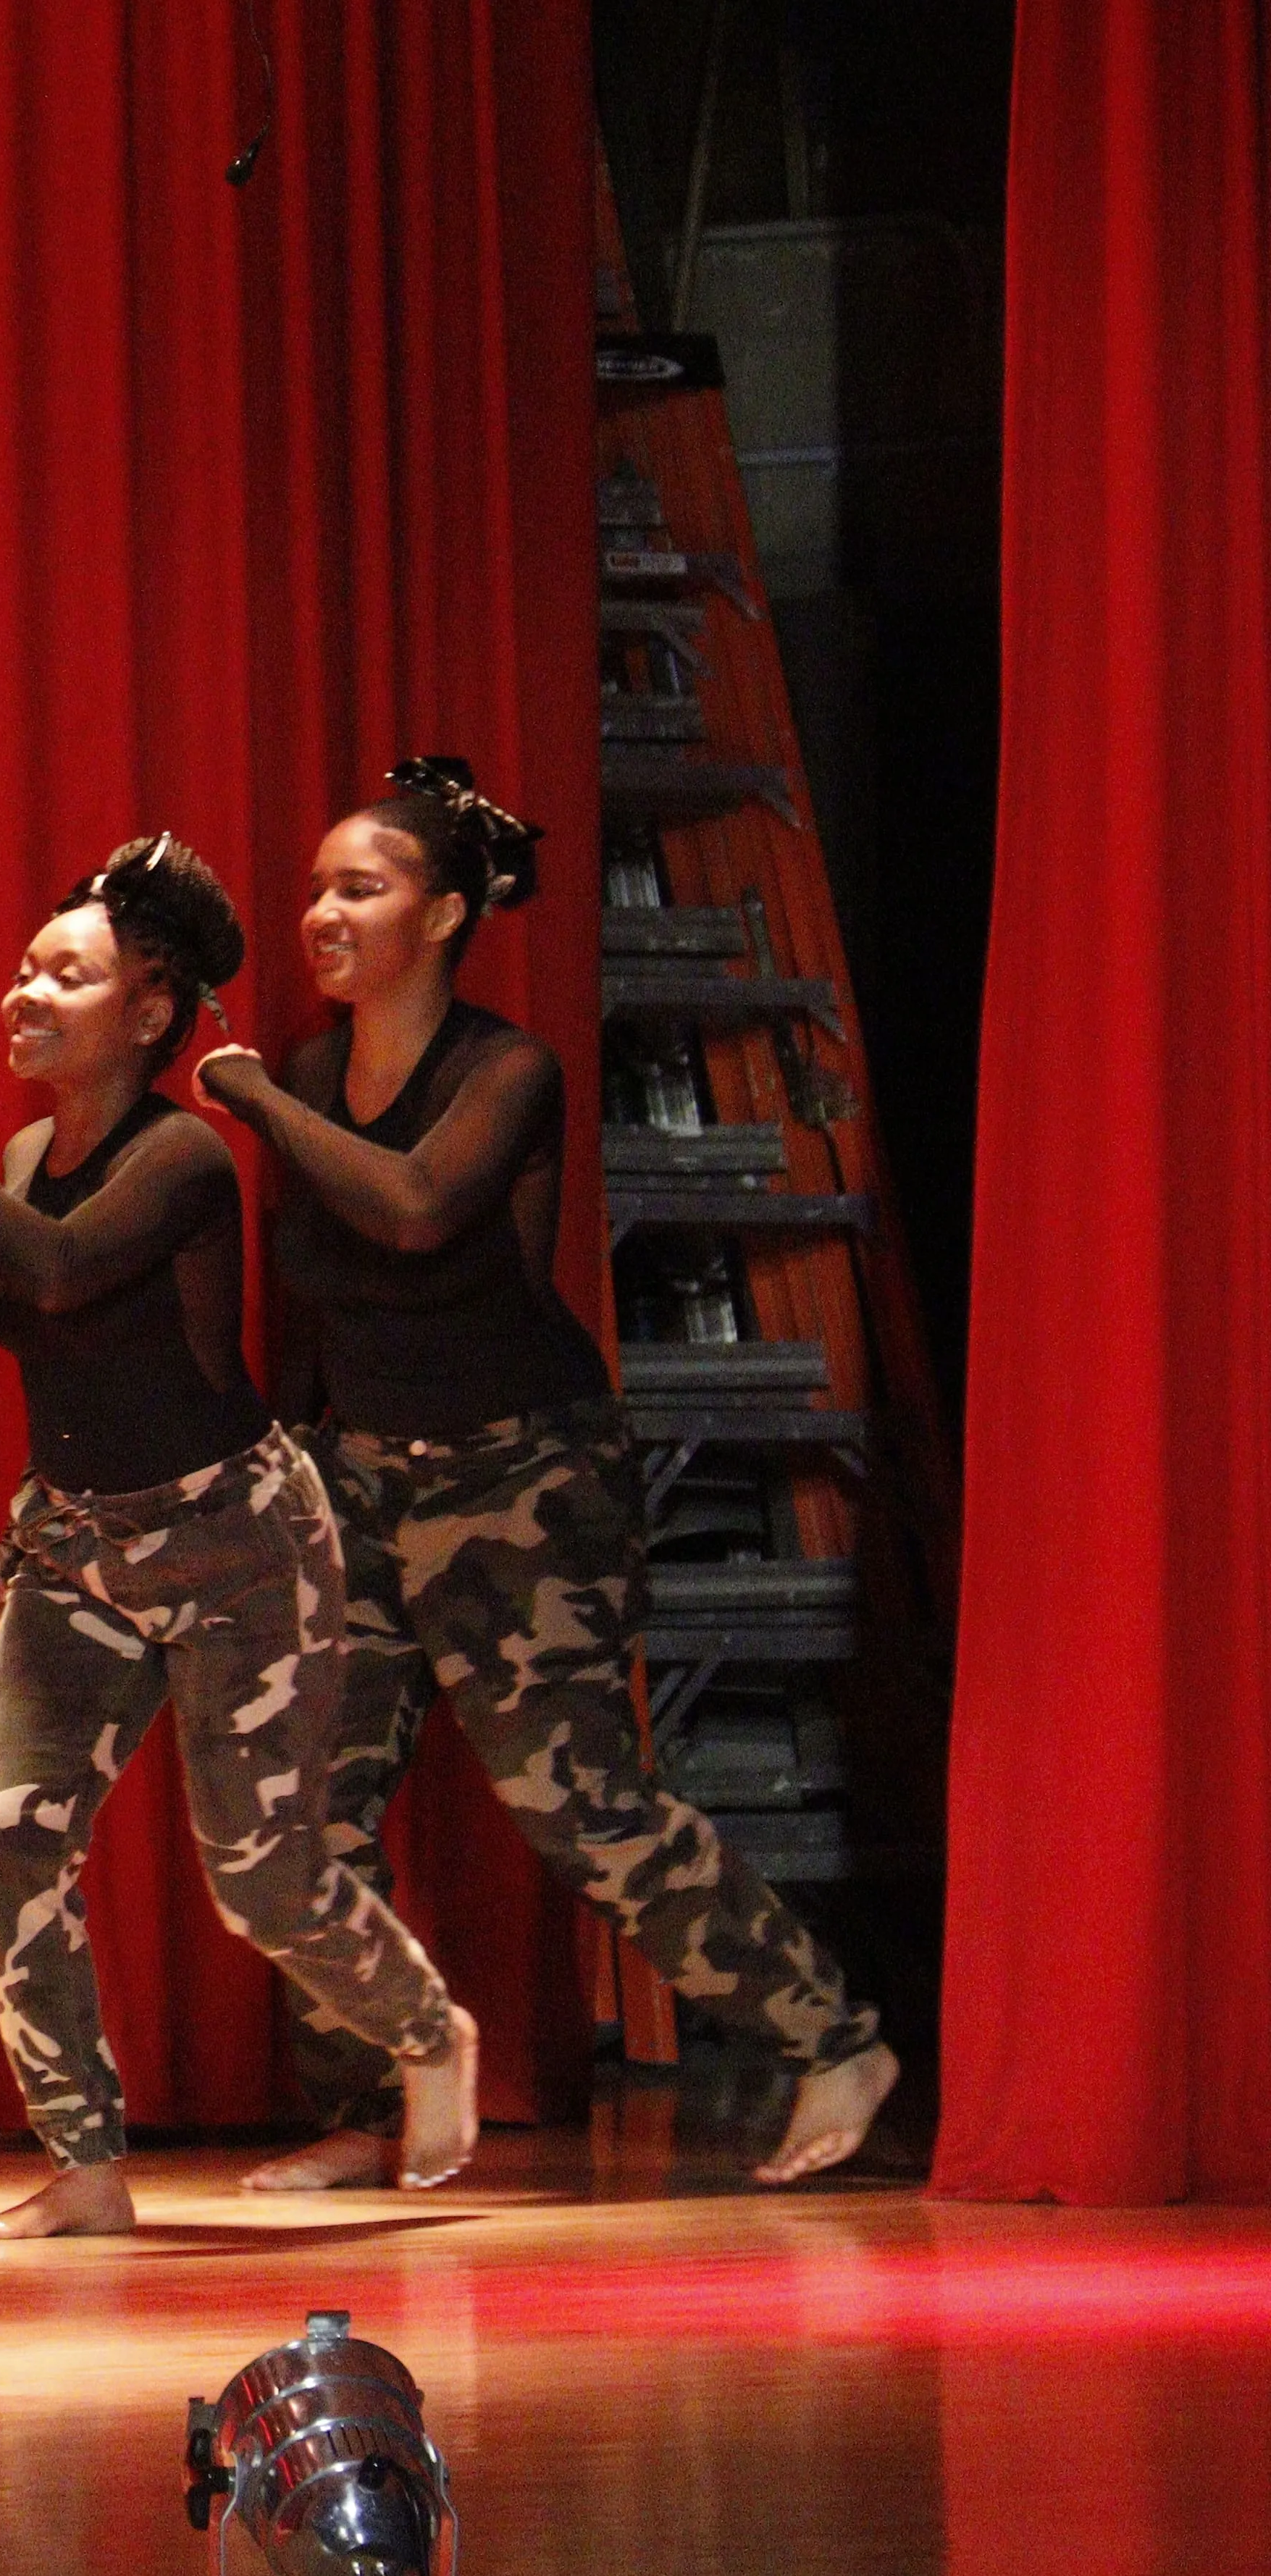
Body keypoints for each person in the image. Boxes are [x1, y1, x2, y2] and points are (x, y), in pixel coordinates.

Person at [196, 759, 899, 2191]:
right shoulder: (311, 1075)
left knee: (584, 1805)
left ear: (445, 912)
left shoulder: (504, 1070)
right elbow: (322, 1310)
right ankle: (359, 2102)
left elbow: (411, 1209)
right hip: (360, 1473)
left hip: (522, 1473)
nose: (323, 911)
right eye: (319, 887)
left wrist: (260, 1103)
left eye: (362, 887)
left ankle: (834, 2037)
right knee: (308, 1807)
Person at [0, 834, 480, 2238]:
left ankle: (428, 2029)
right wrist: (29, 1527)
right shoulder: (35, 1147)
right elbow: (66, 1367)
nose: (26, 994)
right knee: (3, 1833)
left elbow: (53, 1269)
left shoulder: (181, 1158)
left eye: (66, 975)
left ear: (149, 1013)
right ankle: (87, 2163)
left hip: (238, 1550)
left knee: (262, 1879)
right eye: (26, 970)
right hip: (82, 1547)